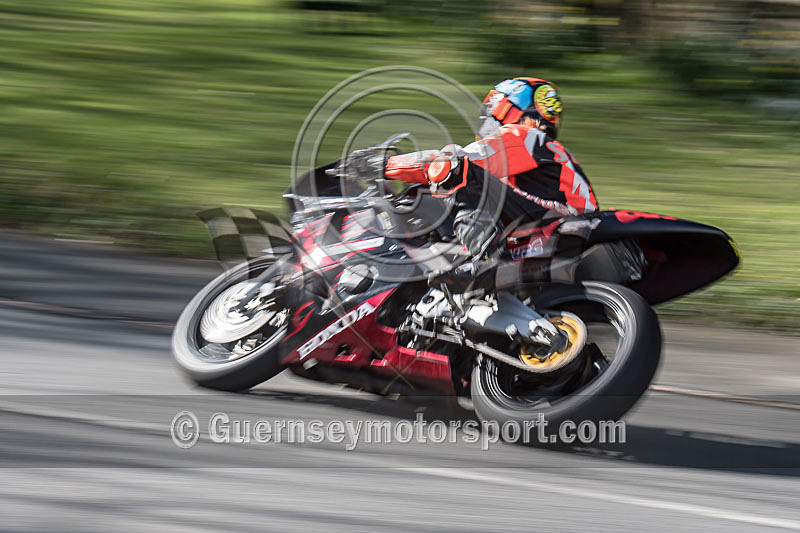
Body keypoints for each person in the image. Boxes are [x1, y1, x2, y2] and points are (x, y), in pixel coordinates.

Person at [383, 77, 599, 260]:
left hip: (558, 226)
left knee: (453, 169)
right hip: (567, 226)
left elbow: (454, 160)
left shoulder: (527, 136)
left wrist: (386, 165)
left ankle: (485, 261)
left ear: (505, 110)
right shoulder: (545, 151)